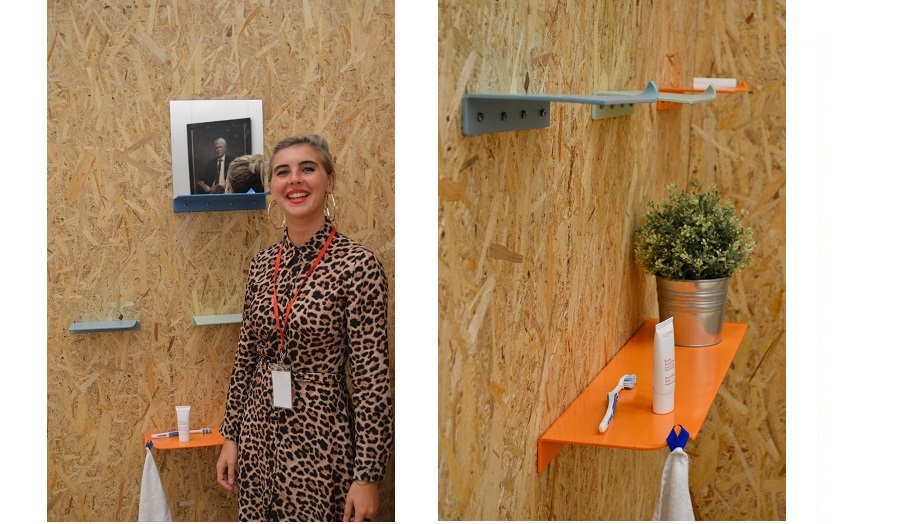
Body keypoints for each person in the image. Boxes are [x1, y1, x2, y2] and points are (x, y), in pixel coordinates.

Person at [216, 134, 393, 522]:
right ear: (272, 188)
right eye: (283, 172)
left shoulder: (358, 266)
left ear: (329, 181)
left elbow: (371, 378)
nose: (294, 180)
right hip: (259, 433)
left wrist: (367, 476)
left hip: (322, 439)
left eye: (307, 168)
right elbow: (246, 355)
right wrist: (231, 436)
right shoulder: (262, 265)